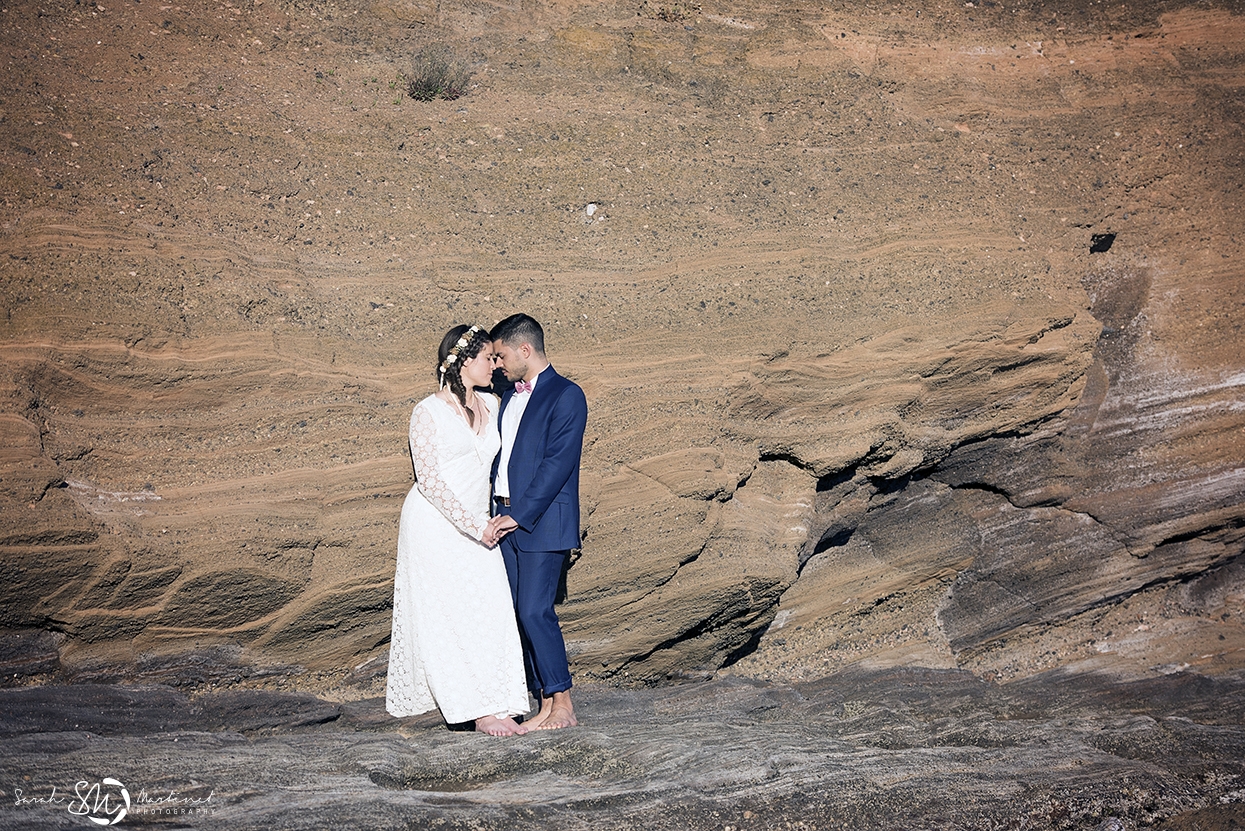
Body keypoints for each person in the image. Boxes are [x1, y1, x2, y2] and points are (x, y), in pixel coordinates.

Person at [385, 324, 530, 737]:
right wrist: (475, 526)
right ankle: (476, 709)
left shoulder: (494, 402)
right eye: (488, 359)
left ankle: (501, 700)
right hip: (434, 523)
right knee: (449, 615)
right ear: (465, 362)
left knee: (491, 605)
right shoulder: (426, 412)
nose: (495, 365)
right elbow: (429, 481)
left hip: (480, 523)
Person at [487, 313, 587, 731]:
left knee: (535, 609)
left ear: (525, 349)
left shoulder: (567, 395)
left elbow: (557, 464)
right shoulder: (508, 397)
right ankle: (544, 703)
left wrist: (518, 515)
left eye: (501, 355)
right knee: (513, 611)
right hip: (502, 516)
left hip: (540, 520)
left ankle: (563, 704)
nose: (497, 364)